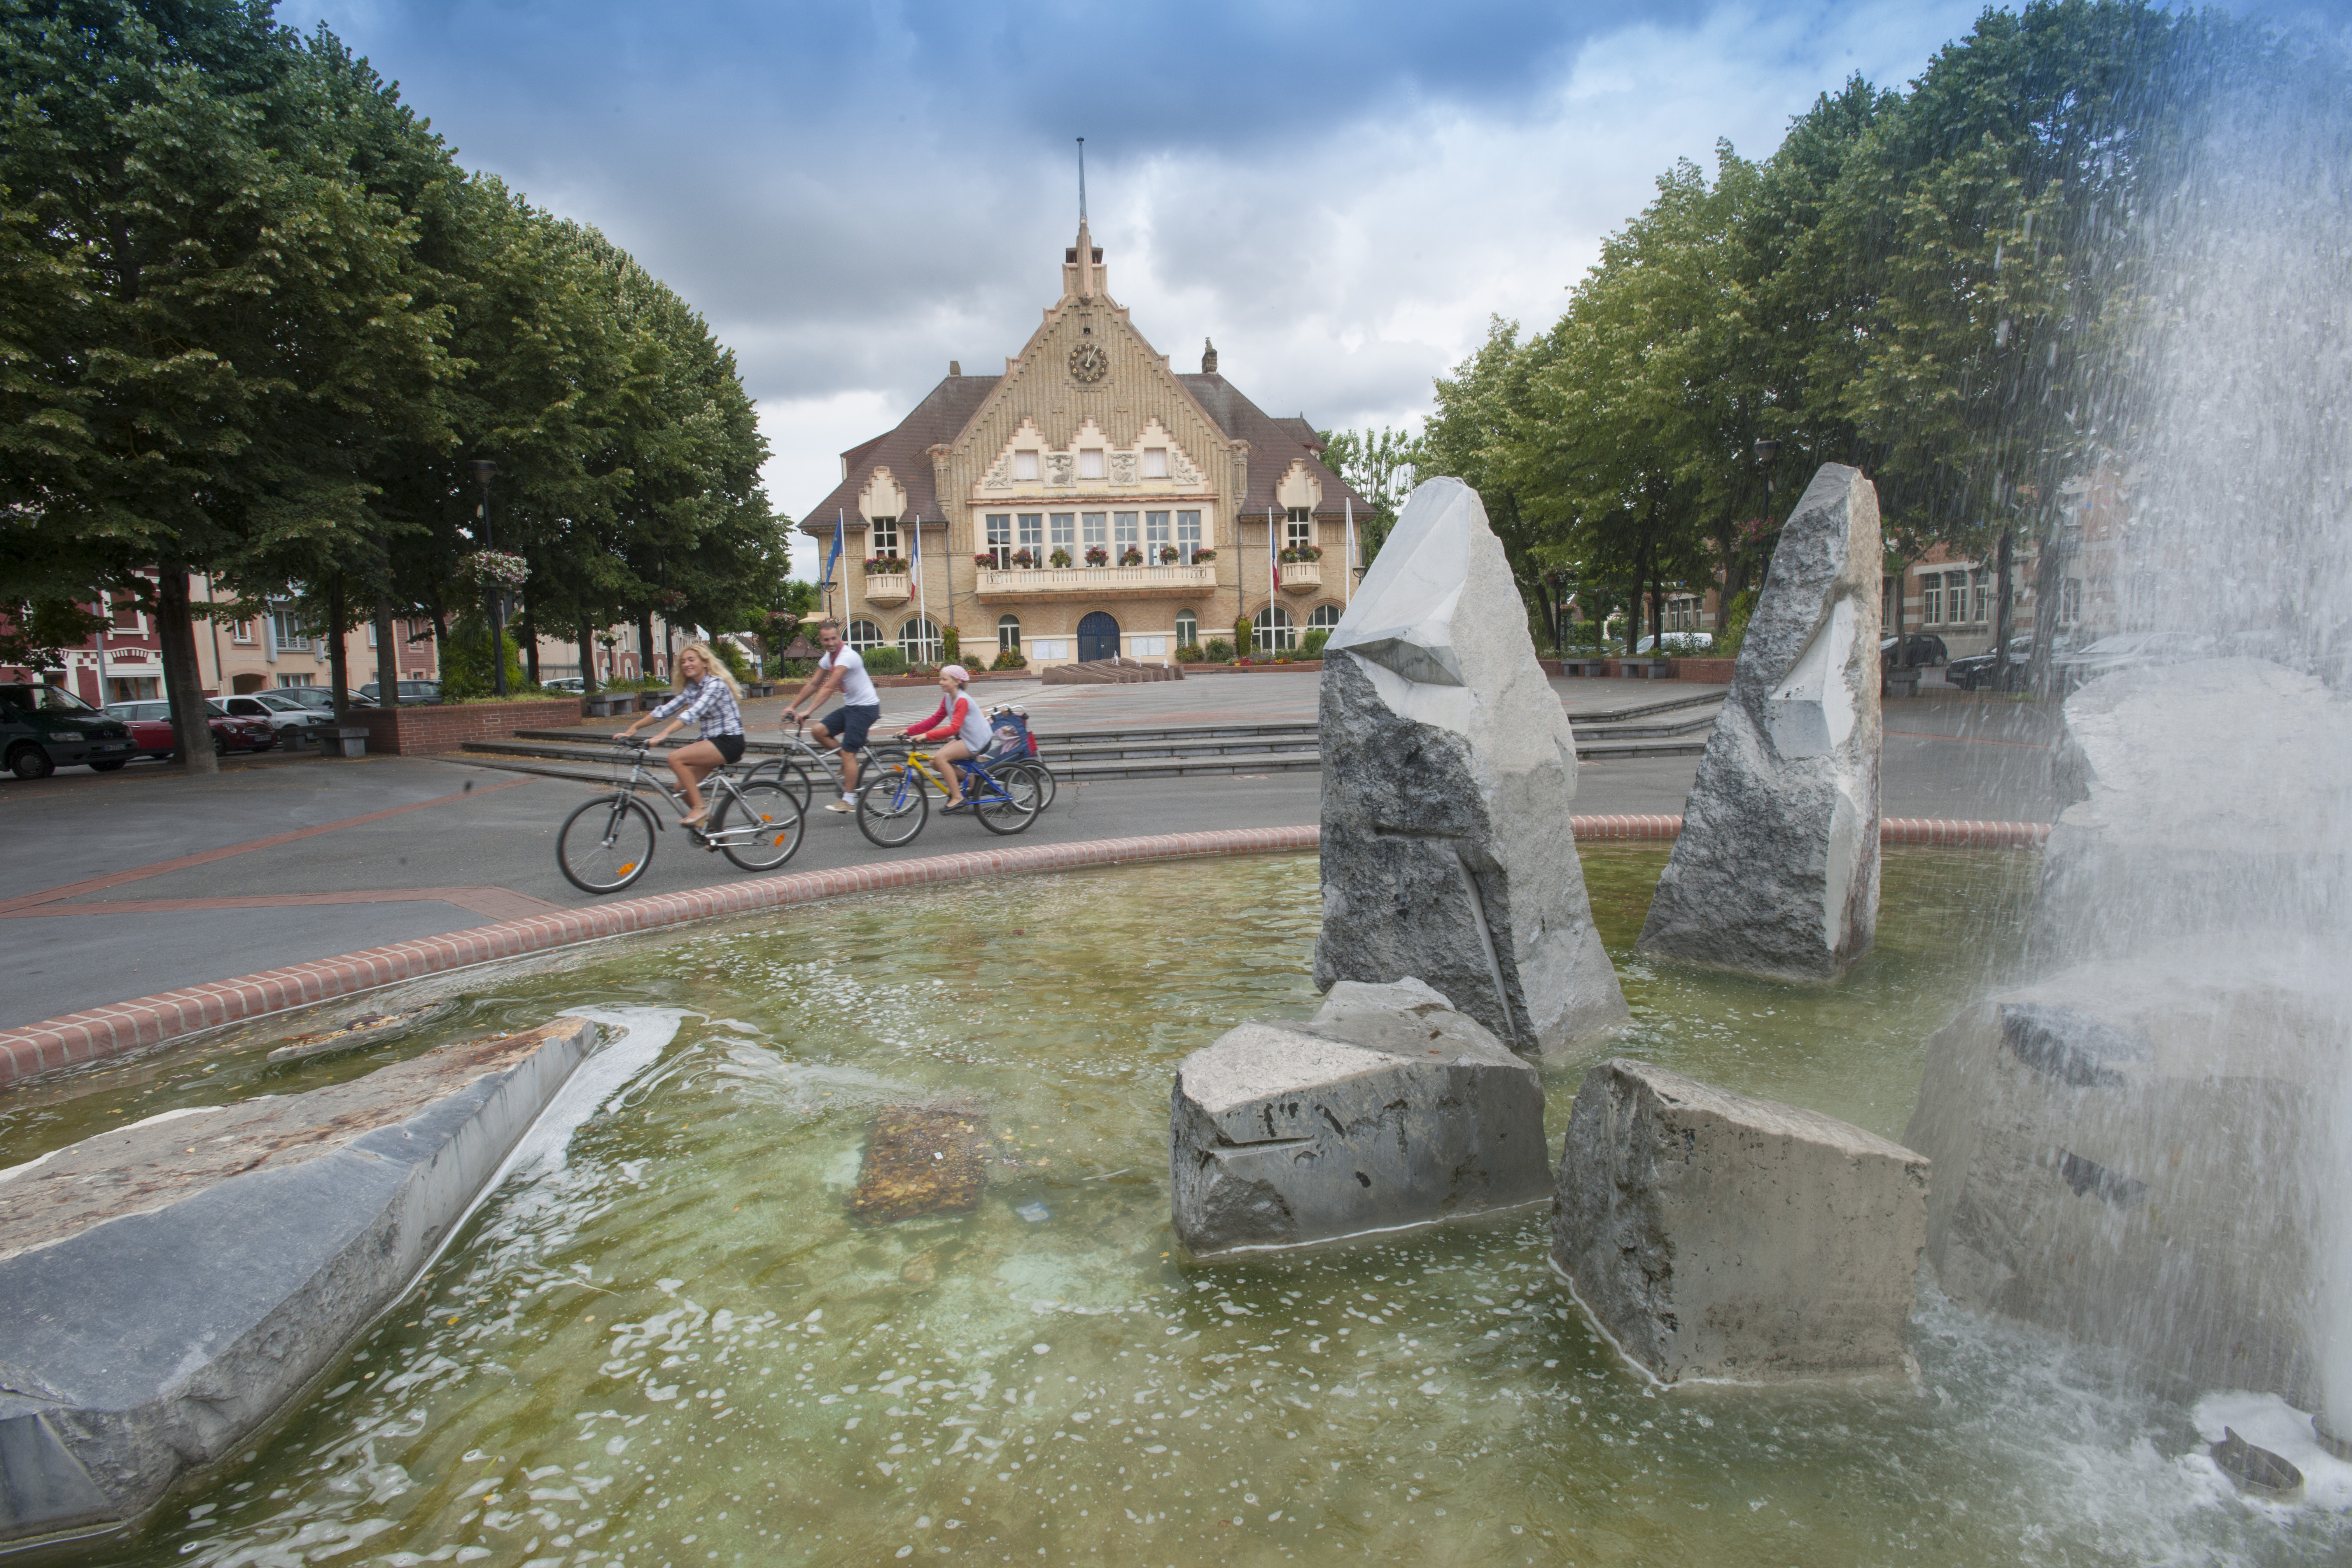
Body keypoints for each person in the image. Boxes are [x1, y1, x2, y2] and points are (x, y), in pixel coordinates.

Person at [616, 643, 745, 829]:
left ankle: (699, 809)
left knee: (675, 758)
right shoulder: (692, 688)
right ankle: (713, 827)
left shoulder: (716, 684)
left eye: (692, 660)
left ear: (705, 663)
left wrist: (664, 734)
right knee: (681, 788)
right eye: (683, 661)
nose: (686, 664)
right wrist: (633, 728)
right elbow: (664, 711)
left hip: (729, 740)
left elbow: (692, 714)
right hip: (712, 741)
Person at [781, 618, 882, 814]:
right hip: (852, 707)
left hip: (866, 709)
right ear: (821, 641)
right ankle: (848, 762)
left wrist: (808, 711)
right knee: (819, 731)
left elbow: (829, 686)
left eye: (834, 638)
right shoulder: (828, 659)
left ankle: (849, 800)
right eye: (826, 640)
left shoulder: (847, 657)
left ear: (839, 638)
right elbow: (814, 684)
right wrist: (792, 706)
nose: (831, 643)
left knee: (848, 753)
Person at [900, 663, 991, 812]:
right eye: (940, 679)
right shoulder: (949, 698)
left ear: (956, 682)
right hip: (966, 738)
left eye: (944, 679)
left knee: (941, 758)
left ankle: (958, 798)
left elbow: (954, 728)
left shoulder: (962, 700)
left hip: (978, 740)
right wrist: (909, 731)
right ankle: (972, 778)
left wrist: (927, 736)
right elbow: (935, 720)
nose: (940, 682)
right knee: (934, 762)